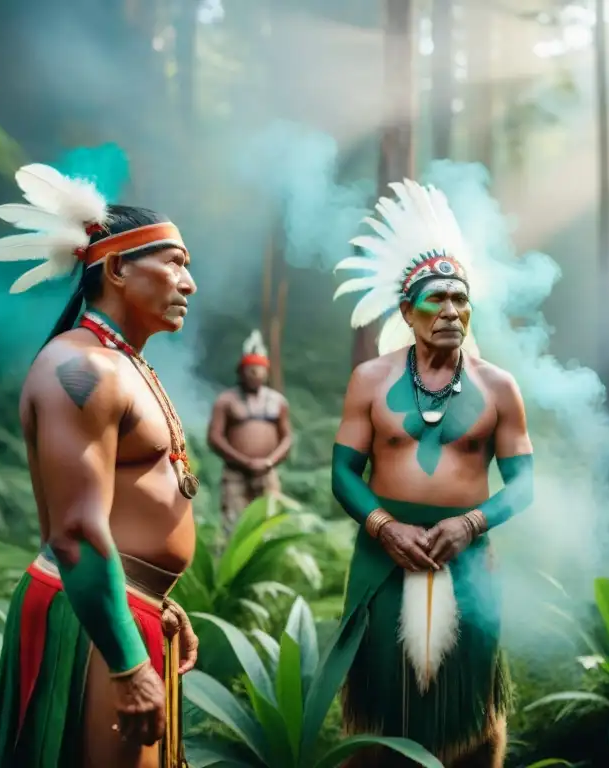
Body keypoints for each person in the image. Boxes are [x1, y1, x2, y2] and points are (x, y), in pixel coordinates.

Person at [300, 180, 535, 768]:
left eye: (462, 298)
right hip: (384, 557)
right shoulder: (371, 380)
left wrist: (471, 525)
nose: (452, 311)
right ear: (407, 311)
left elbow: (525, 483)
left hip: (468, 560)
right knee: (381, 707)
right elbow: (343, 471)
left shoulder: (499, 386)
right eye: (437, 299)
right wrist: (384, 527)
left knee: (472, 713)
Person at [0, 163, 200, 768]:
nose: (189, 283)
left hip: (128, 608)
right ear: (119, 267)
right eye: (175, 262)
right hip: (98, 622)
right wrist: (128, 661)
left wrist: (157, 599)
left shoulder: (120, 364)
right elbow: (74, 531)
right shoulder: (79, 368)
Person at [207, 329, 292, 532]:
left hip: (267, 473)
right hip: (235, 473)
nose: (255, 373)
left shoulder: (278, 402)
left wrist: (268, 462)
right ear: (241, 371)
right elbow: (214, 437)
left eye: (259, 369)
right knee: (233, 528)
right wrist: (244, 461)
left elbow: (287, 437)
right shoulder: (226, 401)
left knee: (268, 526)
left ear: (266, 372)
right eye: (250, 369)